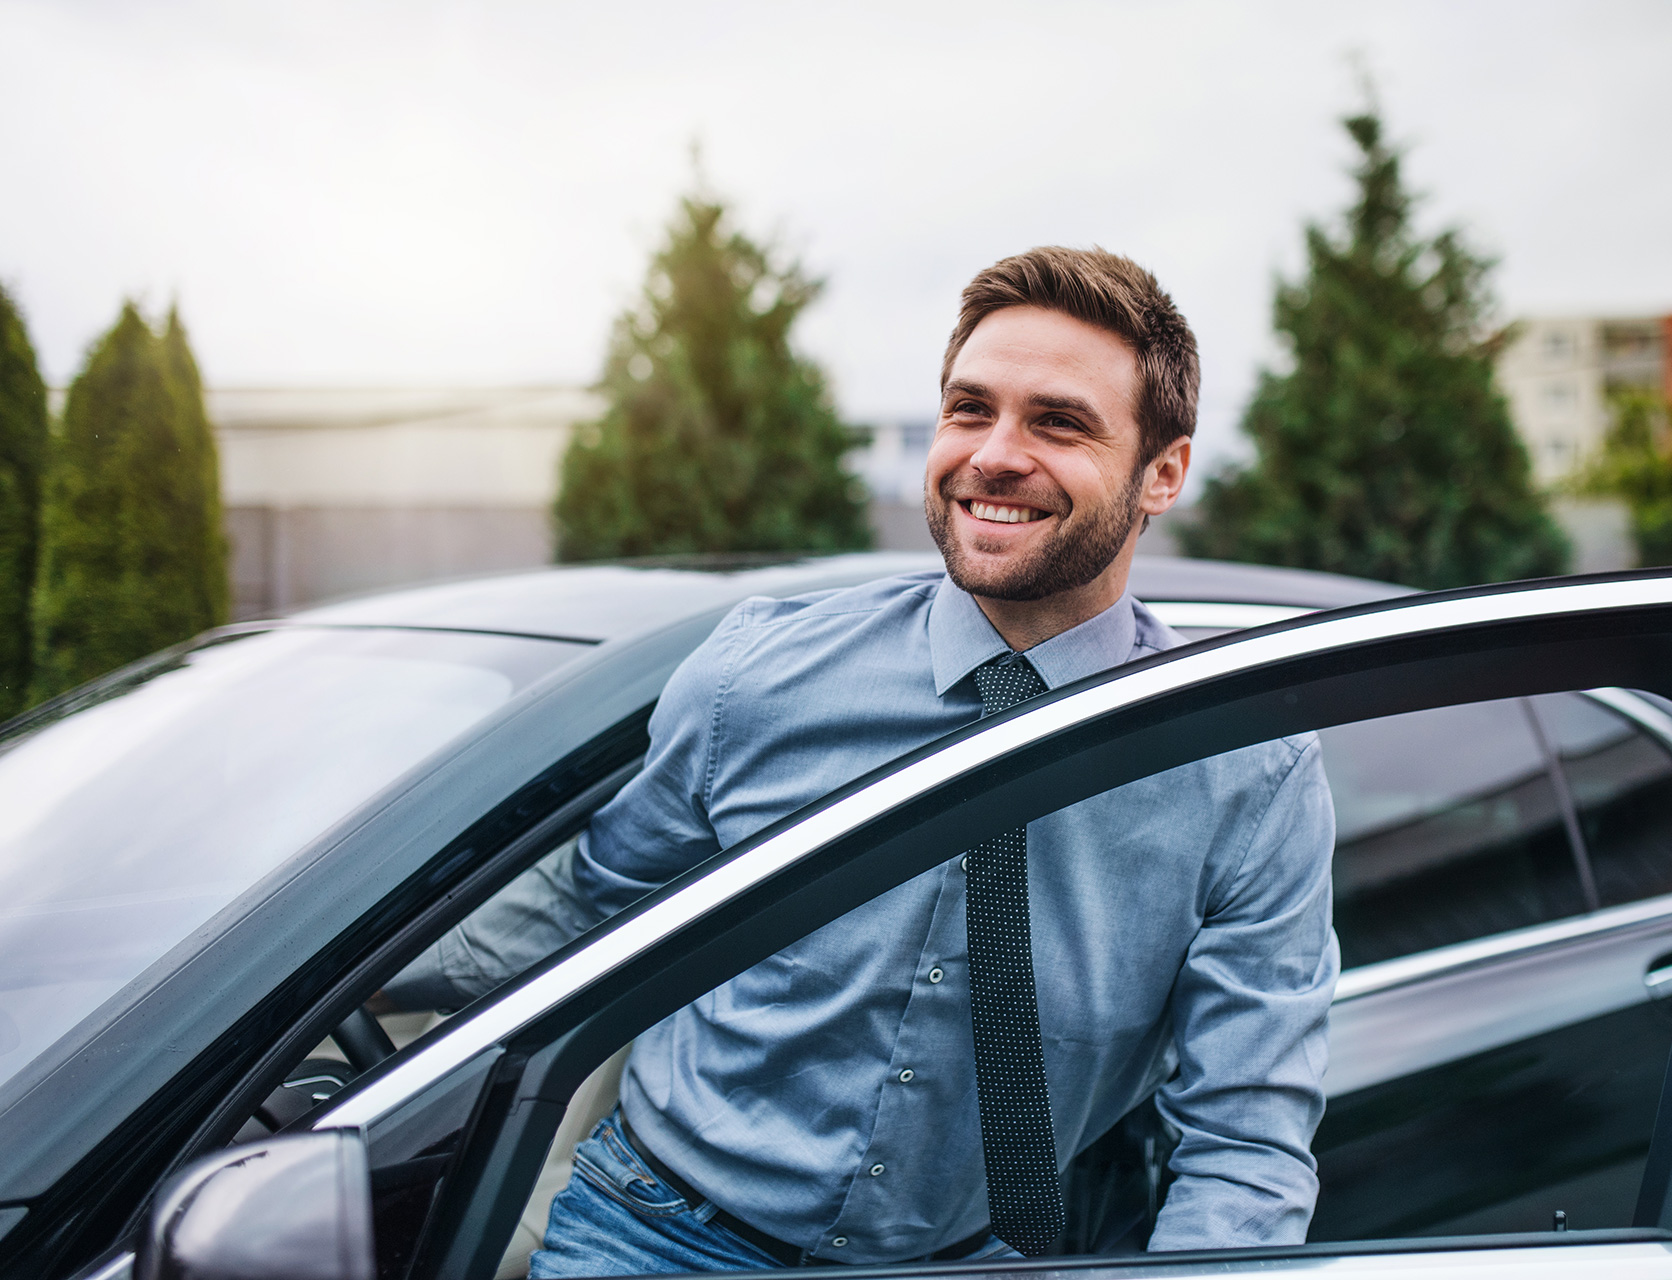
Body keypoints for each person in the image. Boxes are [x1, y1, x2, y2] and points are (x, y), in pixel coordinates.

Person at [385, 247, 1337, 1276]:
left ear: (1163, 473)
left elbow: (1245, 1143)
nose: (994, 454)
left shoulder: (1245, 769)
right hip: (653, 1232)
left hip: (969, 1257)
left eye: (1056, 421)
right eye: (969, 409)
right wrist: (333, 971)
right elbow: (586, 905)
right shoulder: (759, 674)